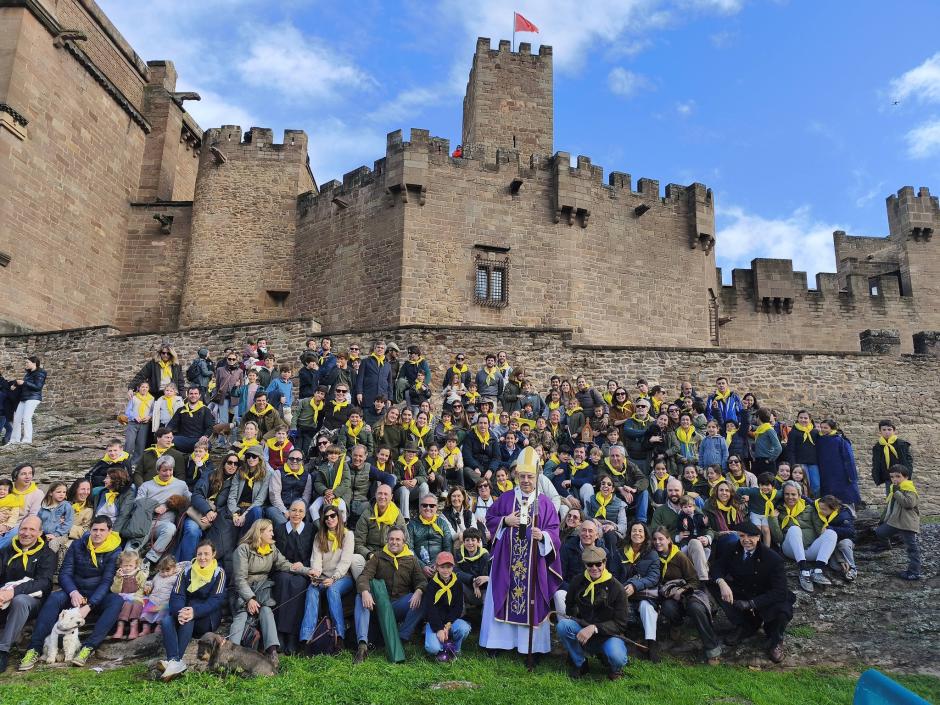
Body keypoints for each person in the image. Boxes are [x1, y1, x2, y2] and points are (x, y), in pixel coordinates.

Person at [480, 447, 561, 656]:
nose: (526, 480)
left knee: (531, 599)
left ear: (537, 476)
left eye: (530, 476)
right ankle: (499, 644)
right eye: (522, 476)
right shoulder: (506, 499)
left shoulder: (545, 503)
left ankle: (531, 648)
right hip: (506, 561)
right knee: (503, 595)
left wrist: (542, 536)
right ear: (516, 476)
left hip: (533, 564)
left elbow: (554, 531)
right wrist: (505, 521)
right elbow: (490, 519)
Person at [19, 515, 123, 670]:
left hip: (98, 595)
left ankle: (88, 648)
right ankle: (35, 648)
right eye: (95, 529)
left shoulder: (115, 550)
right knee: (55, 597)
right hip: (76, 592)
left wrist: (90, 605)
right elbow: (65, 573)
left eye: (102, 530)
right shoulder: (78, 545)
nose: (98, 533)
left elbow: (107, 581)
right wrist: (73, 592)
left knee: (117, 601)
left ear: (109, 532)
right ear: (90, 529)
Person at [711, 521, 795, 664]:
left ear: (758, 538)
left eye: (751, 536)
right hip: (744, 591)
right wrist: (721, 582)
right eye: (742, 536)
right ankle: (746, 625)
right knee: (714, 586)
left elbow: (779, 591)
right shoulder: (733, 548)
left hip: (766, 596)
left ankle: (776, 640)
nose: (746, 540)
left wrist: (752, 603)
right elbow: (716, 567)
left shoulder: (773, 558)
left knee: (782, 611)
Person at [230, 519, 307, 667]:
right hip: (242, 590)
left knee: (266, 611)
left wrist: (308, 571)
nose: (273, 533)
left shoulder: (271, 548)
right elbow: (240, 579)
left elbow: (285, 565)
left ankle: (272, 652)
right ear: (260, 532)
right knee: (242, 615)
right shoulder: (243, 549)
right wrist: (250, 599)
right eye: (270, 531)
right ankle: (230, 653)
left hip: (262, 589)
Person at [353, 526, 426, 664]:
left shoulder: (411, 559)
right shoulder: (378, 557)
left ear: (404, 542)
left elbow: (421, 580)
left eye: (398, 539)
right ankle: (362, 645)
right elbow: (364, 576)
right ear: (387, 540)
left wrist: (419, 590)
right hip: (378, 605)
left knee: (422, 598)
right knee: (359, 597)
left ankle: (400, 638)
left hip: (398, 604)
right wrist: (365, 591)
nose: (394, 542)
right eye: (391, 539)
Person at [556, 545, 629, 680]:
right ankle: (580, 663)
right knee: (563, 626)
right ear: (585, 564)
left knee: (617, 657)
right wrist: (577, 619)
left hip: (609, 635)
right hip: (583, 629)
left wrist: (594, 628)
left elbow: (621, 623)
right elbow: (569, 605)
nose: (594, 568)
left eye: (598, 564)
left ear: (604, 563)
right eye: (590, 564)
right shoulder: (577, 581)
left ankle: (615, 669)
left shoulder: (617, 588)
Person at [651, 526, 721, 665]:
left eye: (661, 539)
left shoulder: (679, 557)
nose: (657, 542)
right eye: (654, 539)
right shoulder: (653, 556)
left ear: (669, 540)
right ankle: (676, 623)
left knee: (696, 609)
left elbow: (694, 580)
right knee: (668, 608)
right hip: (668, 595)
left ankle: (712, 649)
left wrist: (682, 591)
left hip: (687, 592)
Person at [159, 539, 226, 680]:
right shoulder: (186, 570)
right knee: (166, 621)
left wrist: (194, 612)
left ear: (214, 554)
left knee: (188, 619)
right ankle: (175, 661)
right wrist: (180, 612)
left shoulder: (218, 573)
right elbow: (177, 595)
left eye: (206, 554)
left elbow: (216, 600)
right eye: (200, 554)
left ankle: (175, 662)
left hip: (206, 618)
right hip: (185, 613)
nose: (202, 557)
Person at [0, 516, 56, 673]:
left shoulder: (47, 554)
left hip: (33, 600)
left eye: (32, 529)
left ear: (40, 532)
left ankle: (3, 650)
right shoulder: (7, 550)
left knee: (20, 601)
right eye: (23, 529)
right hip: (4, 594)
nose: (26, 533)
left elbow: (44, 583)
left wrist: (12, 592)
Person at [300, 506, 355, 646]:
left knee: (333, 590)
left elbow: (346, 561)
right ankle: (306, 637)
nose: (329, 519)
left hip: (343, 577)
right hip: (323, 576)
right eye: (326, 517)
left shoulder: (347, 535)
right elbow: (316, 559)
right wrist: (316, 574)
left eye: (332, 516)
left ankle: (339, 635)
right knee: (312, 589)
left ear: (339, 517)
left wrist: (334, 578)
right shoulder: (319, 536)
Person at [270, 500, 315, 653]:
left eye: (300, 511)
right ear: (288, 512)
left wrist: (302, 566)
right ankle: (280, 634)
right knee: (283, 581)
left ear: (305, 514)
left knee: (300, 585)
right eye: (293, 510)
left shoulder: (310, 530)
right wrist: (288, 566)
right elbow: (274, 554)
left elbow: (312, 554)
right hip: (282, 570)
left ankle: (292, 636)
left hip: (302, 571)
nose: (296, 514)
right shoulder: (279, 529)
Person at [614, 521, 661, 662]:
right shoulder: (619, 552)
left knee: (647, 608)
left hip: (643, 594)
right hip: (622, 593)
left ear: (645, 535)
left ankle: (651, 645)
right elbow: (613, 574)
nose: (637, 533)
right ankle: (620, 643)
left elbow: (653, 577)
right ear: (629, 533)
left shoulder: (652, 554)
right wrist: (622, 588)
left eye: (640, 531)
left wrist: (634, 586)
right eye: (634, 530)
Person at [650, 478, 711, 580]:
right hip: (673, 550)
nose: (673, 493)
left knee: (695, 543)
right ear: (666, 491)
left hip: (693, 547)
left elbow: (707, 527)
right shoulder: (660, 511)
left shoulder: (693, 508)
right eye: (670, 490)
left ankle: (703, 581)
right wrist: (676, 537)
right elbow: (654, 533)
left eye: (676, 490)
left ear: (683, 491)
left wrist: (707, 537)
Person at [874, 465, 921, 580]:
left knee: (911, 548)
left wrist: (897, 492)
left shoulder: (909, 489)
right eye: (892, 477)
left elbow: (909, 504)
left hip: (907, 523)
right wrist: (883, 519)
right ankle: (886, 546)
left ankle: (914, 572)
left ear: (906, 477)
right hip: (895, 521)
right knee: (880, 532)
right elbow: (890, 507)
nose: (894, 479)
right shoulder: (895, 488)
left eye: (898, 476)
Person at [422, 551, 470, 662]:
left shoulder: (457, 583)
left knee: (464, 628)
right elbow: (430, 609)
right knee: (432, 648)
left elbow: (458, 608)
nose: (446, 570)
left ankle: (455, 649)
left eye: (449, 567)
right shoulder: (431, 585)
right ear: (436, 567)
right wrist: (439, 629)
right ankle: (442, 646)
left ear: (453, 567)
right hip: (434, 621)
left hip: (450, 621)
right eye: (442, 567)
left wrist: (448, 625)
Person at [815, 419, 861, 507]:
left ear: (832, 429)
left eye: (826, 427)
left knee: (845, 497)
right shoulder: (819, 440)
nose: (823, 430)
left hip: (840, 473)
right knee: (829, 498)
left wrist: (852, 475)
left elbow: (849, 458)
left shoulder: (841, 441)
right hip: (825, 473)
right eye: (821, 427)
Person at [408, 494, 453, 576]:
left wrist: (439, 564)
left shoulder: (442, 523)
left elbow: (448, 547)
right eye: (424, 505)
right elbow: (410, 549)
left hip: (440, 566)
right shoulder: (412, 524)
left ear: (436, 508)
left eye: (431, 506)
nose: (428, 508)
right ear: (420, 507)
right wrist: (422, 566)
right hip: (418, 566)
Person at [228, 446, 270, 532]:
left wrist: (244, 515)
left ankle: (251, 540)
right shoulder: (240, 472)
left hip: (252, 508)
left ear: (260, 458)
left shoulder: (266, 474)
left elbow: (260, 499)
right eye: (248, 456)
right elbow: (232, 495)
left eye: (254, 456)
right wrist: (235, 514)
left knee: (257, 511)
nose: (251, 459)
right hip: (238, 508)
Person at [8, 356, 47, 445]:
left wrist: (24, 382)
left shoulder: (41, 373)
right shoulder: (28, 374)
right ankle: (14, 440)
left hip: (33, 398)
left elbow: (38, 387)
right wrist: (16, 385)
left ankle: (27, 440)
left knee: (26, 418)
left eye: (27, 362)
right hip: (24, 398)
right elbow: (25, 385)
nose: (26, 364)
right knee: (17, 419)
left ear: (34, 363)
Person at [267, 448, 312, 525]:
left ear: (302, 461)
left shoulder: (307, 476)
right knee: (273, 512)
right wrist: (285, 511)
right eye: (292, 458)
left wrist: (297, 511)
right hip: (280, 508)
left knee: (309, 514)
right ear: (287, 459)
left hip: (298, 508)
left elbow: (306, 496)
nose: (294, 461)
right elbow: (274, 496)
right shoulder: (278, 473)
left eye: (298, 459)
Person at [871, 420, 914, 497]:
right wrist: (876, 475)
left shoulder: (902, 444)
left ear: (894, 431)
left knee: (904, 498)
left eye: (889, 429)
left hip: (902, 477)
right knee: (891, 497)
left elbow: (908, 461)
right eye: (884, 430)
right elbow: (876, 462)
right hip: (889, 478)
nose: (887, 432)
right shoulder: (877, 447)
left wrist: (908, 474)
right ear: (880, 431)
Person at [166, 386, 214, 454]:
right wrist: (165, 433)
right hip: (182, 439)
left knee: (207, 445)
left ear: (199, 395)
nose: (193, 395)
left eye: (195, 393)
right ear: (187, 395)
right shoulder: (181, 410)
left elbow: (209, 427)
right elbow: (171, 424)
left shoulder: (205, 410)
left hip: (198, 439)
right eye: (191, 393)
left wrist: (205, 436)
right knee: (166, 441)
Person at [787, 410, 821, 497]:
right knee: (806, 485)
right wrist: (793, 464)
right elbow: (791, 450)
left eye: (805, 418)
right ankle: (806, 504)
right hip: (800, 463)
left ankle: (815, 503)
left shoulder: (815, 432)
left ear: (810, 419)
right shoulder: (793, 432)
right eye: (801, 418)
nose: (803, 420)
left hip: (813, 463)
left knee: (816, 485)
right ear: (797, 419)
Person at [124, 381, 154, 468]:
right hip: (133, 423)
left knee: (140, 445)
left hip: (144, 424)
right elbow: (128, 411)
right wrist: (135, 416)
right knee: (129, 443)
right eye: (142, 387)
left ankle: (134, 464)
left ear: (148, 389)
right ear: (139, 388)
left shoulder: (151, 399)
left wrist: (149, 417)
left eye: (146, 387)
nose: (144, 389)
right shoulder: (134, 398)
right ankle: (125, 462)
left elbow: (153, 412)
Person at [355, 341, 393, 410]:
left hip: (382, 398)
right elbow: (360, 378)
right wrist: (359, 393)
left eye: (382, 348)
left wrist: (390, 398)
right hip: (368, 396)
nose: (380, 349)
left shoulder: (388, 365)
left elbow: (390, 383)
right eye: (378, 347)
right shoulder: (365, 362)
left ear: (384, 350)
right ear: (374, 349)